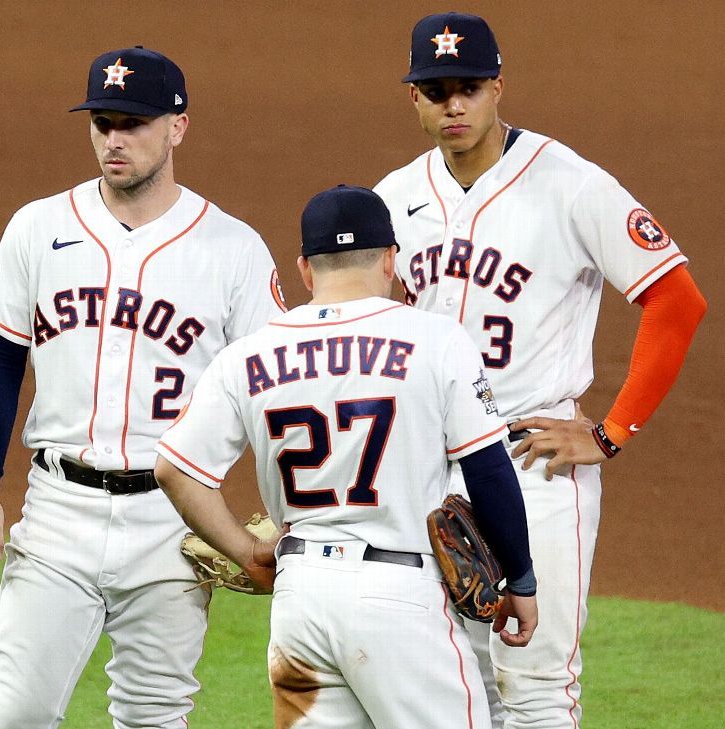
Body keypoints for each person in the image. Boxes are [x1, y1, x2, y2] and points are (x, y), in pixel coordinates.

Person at [372, 13, 708, 728]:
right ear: (414, 98)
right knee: (448, 688)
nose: (453, 105)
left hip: (530, 465)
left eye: (468, 87)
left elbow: (676, 299)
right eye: (436, 91)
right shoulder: (395, 196)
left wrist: (613, 430)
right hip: (424, 468)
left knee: (536, 687)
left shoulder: (571, 185)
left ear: (498, 87)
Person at [0, 46, 285, 729]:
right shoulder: (38, 227)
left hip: (174, 520)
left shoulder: (233, 249)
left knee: (153, 717)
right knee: (17, 712)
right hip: (56, 513)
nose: (114, 138)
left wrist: (288, 511)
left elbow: (277, 396)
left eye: (133, 122)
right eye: (103, 121)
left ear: (177, 127)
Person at [154, 184, 538, 728]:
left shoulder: (247, 356)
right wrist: (520, 577)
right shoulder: (436, 340)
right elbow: (489, 472)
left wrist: (247, 552)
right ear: (389, 259)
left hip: (301, 600)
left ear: (306, 269)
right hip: (402, 597)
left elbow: (174, 469)